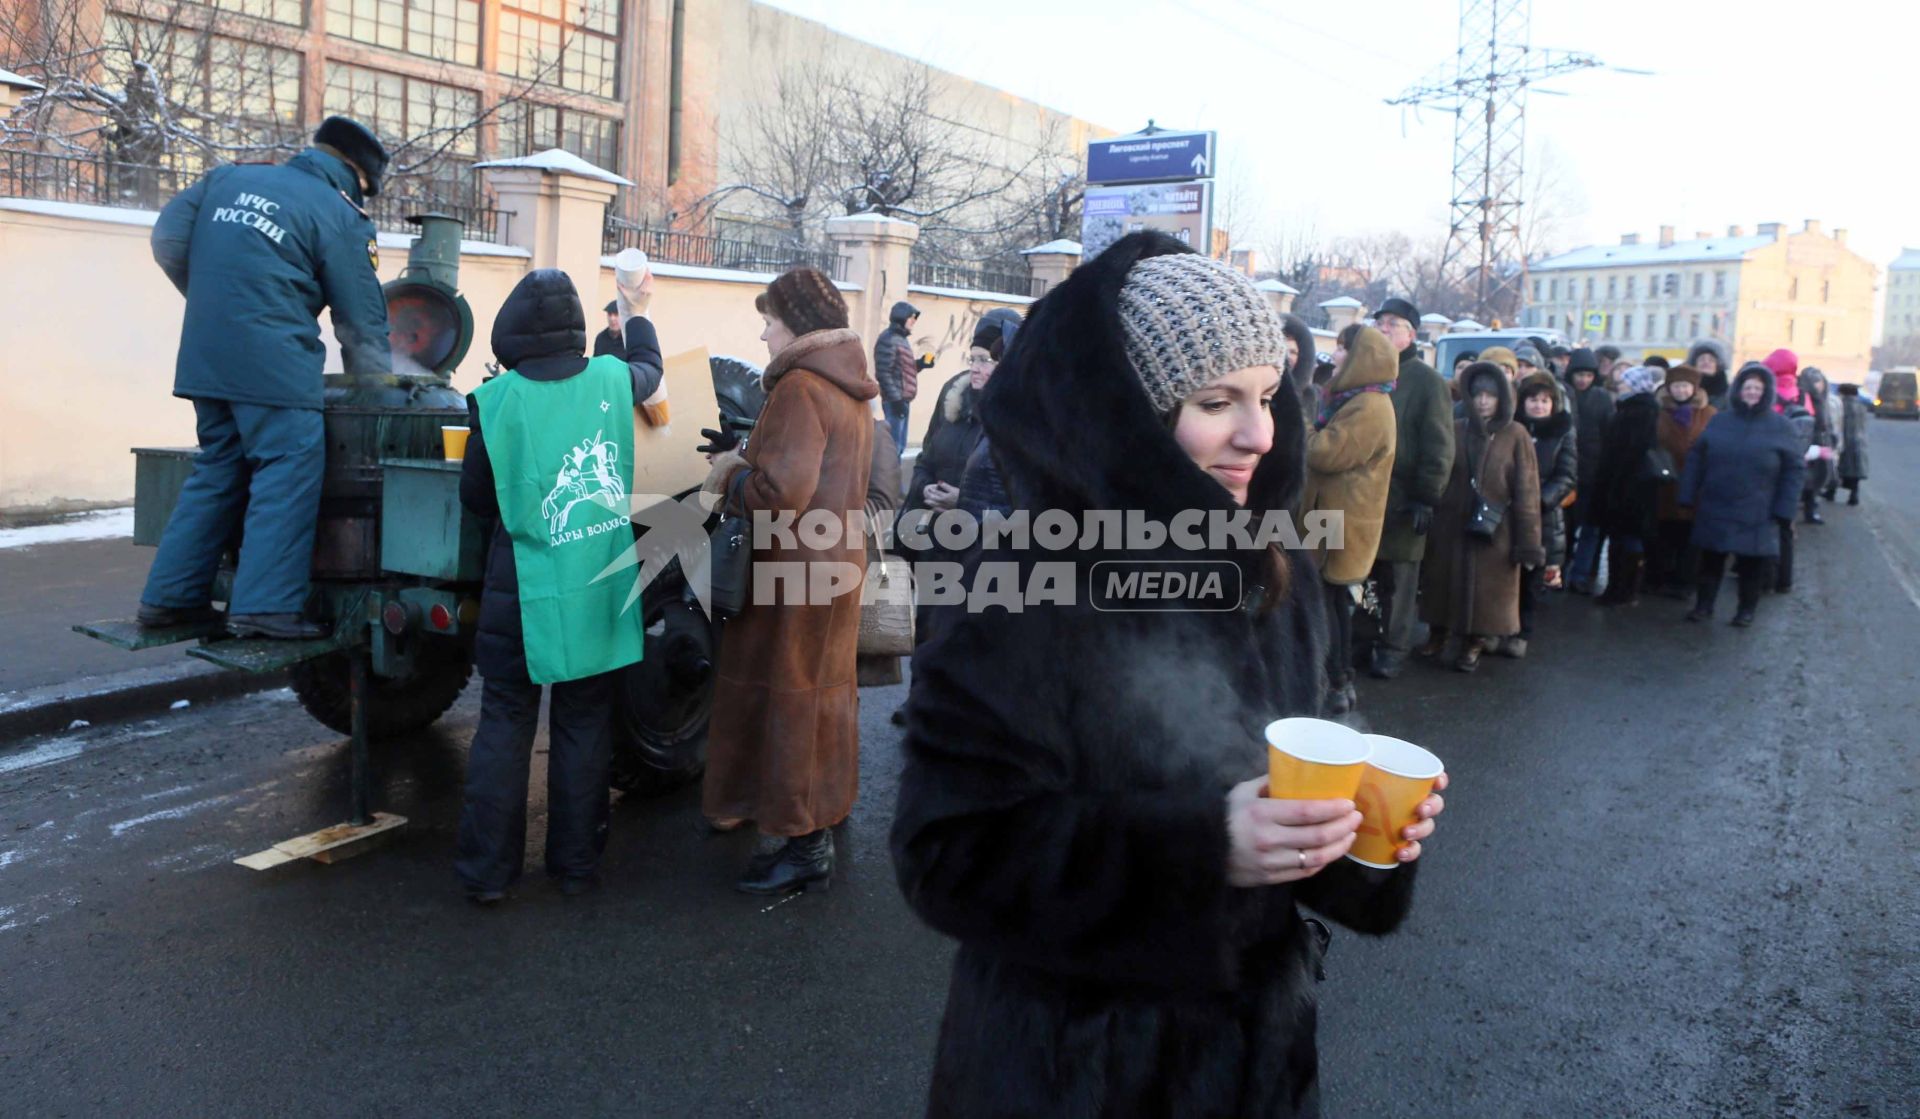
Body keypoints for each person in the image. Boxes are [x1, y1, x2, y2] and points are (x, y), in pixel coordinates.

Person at [891, 234, 1446, 1118]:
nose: (1259, 432)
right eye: (1215, 401)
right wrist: (1200, 849)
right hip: (1067, 1072)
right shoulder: (1022, 583)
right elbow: (947, 852)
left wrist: (1365, 835)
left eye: (1267, 396)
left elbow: (1306, 809)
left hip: (1256, 1066)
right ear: (1138, 417)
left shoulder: (1282, 570)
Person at [137, 116, 393, 640]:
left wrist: (222, 298)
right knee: (288, 467)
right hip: (275, 365)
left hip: (206, 355)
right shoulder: (339, 213)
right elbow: (362, 321)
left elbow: (167, 241)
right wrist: (378, 391)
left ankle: (171, 598)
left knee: (218, 467)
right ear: (357, 178)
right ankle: (266, 607)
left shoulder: (226, 179)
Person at [455, 268, 663, 903]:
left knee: (505, 723)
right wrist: (635, 311)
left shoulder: (495, 401)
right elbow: (650, 367)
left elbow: (476, 500)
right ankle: (575, 868)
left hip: (517, 590)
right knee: (583, 723)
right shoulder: (610, 379)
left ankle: (489, 877)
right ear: (576, 327)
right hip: (596, 588)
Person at [700, 267, 876, 894]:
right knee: (824, 696)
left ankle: (805, 846)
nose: (763, 331)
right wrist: (751, 449)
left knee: (793, 702)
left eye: (770, 319)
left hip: (793, 574)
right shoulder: (849, 384)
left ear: (797, 323)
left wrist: (729, 474)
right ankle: (822, 810)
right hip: (833, 566)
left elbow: (782, 494)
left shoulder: (801, 386)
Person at [1419, 363, 1543, 672]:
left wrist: (1528, 543)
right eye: (1477, 395)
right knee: (1442, 582)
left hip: (1495, 529)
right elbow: (1439, 472)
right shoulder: (1457, 427)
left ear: (1503, 398)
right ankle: (1438, 633)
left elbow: (1527, 491)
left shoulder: (1516, 434)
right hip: (1451, 522)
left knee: (1485, 592)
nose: (1483, 401)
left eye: (1490, 395)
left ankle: (1474, 641)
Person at [1303, 325, 1397, 714]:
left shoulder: (1370, 406)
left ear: (1362, 358)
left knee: (1333, 606)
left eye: (1343, 349)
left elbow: (1326, 453)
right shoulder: (1354, 399)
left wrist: (1302, 426)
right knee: (1330, 602)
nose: (1336, 355)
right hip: (1332, 523)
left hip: (1343, 527)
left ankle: (1338, 683)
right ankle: (1336, 681)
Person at [1365, 296, 1455, 679]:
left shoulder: (1426, 381)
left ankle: (1393, 649)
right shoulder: (1369, 374)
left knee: (1400, 581)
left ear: (1412, 334)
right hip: (1366, 497)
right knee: (1365, 576)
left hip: (1404, 499)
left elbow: (1439, 445)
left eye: (1393, 324)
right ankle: (1362, 639)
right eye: (1380, 323)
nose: (1384, 330)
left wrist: (1425, 496)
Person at [1679, 363, 1805, 626]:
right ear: (1738, 391)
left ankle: (1746, 610)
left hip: (1758, 507)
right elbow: (1696, 458)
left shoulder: (1782, 427)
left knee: (1752, 565)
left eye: (1758, 388)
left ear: (1767, 392)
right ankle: (1704, 606)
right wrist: (1688, 493)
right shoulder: (1721, 420)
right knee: (1711, 560)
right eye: (1747, 387)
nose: (1752, 393)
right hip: (1716, 504)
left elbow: (1793, 471)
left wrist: (1785, 510)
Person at [1510, 372, 1576, 656]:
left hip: (1543, 515)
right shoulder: (1511, 428)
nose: (1538, 406)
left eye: (1544, 401)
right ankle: (1498, 626)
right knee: (1505, 574)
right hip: (1509, 511)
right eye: (1533, 400)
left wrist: (1539, 500)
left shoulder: (1563, 431)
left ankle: (1522, 632)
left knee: (1532, 577)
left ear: (1553, 403)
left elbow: (1567, 475)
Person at [1589, 365, 1665, 606]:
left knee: (1626, 539)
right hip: (1626, 487)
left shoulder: (1638, 412)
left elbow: (1626, 453)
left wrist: (1613, 482)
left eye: (1625, 382)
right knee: (1622, 539)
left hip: (1629, 488)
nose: (1620, 384)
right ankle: (1621, 589)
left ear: (1635, 386)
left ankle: (1622, 591)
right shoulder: (1635, 409)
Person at [1647, 365, 1716, 598]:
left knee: (1689, 535)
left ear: (1694, 388)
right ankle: (1658, 577)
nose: (1680, 391)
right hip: (1663, 483)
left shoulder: (1708, 414)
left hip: (1695, 483)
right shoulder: (1658, 412)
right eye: (1676, 386)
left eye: (1685, 386)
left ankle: (1684, 581)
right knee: (1664, 532)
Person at [1563, 348, 1615, 594]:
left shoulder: (1602, 398)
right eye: (1579, 374)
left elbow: (1610, 433)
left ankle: (1580, 575)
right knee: (1565, 526)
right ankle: (1559, 572)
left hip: (1593, 474)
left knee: (1590, 528)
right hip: (1566, 472)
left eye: (1588, 375)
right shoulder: (1564, 394)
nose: (1583, 379)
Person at [1766, 349, 1812, 592]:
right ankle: (1784, 580)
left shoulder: (1770, 390)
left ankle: (1765, 576)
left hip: (1770, 465)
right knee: (1785, 524)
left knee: (1766, 523)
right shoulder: (1803, 394)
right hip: (1795, 465)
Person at [874, 300, 933, 456]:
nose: (913, 321)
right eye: (911, 317)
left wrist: (920, 364)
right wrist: (896, 400)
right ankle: (890, 480)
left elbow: (902, 369)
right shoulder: (888, 339)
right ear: (901, 318)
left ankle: (894, 479)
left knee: (899, 447)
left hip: (902, 400)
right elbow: (883, 373)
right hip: (895, 401)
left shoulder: (901, 339)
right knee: (893, 448)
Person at [1798, 367, 1840, 523]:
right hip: (1809, 442)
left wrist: (1832, 438)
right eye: (1816, 381)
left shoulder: (1824, 400)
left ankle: (1812, 508)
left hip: (1822, 442)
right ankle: (1806, 509)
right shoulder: (1804, 397)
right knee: (1805, 478)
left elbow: (1829, 422)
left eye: (1821, 381)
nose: (1819, 385)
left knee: (1818, 478)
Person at [1837, 382, 1870, 505]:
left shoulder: (1841, 405)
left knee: (1838, 468)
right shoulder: (1862, 406)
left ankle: (1831, 492)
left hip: (1845, 440)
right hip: (1859, 441)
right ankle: (1853, 496)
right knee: (1856, 470)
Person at [1687, 340, 1730, 410]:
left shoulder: (1728, 394)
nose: (1706, 362)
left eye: (1711, 360)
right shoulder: (1684, 389)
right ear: (1694, 364)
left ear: (1718, 366)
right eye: (1702, 359)